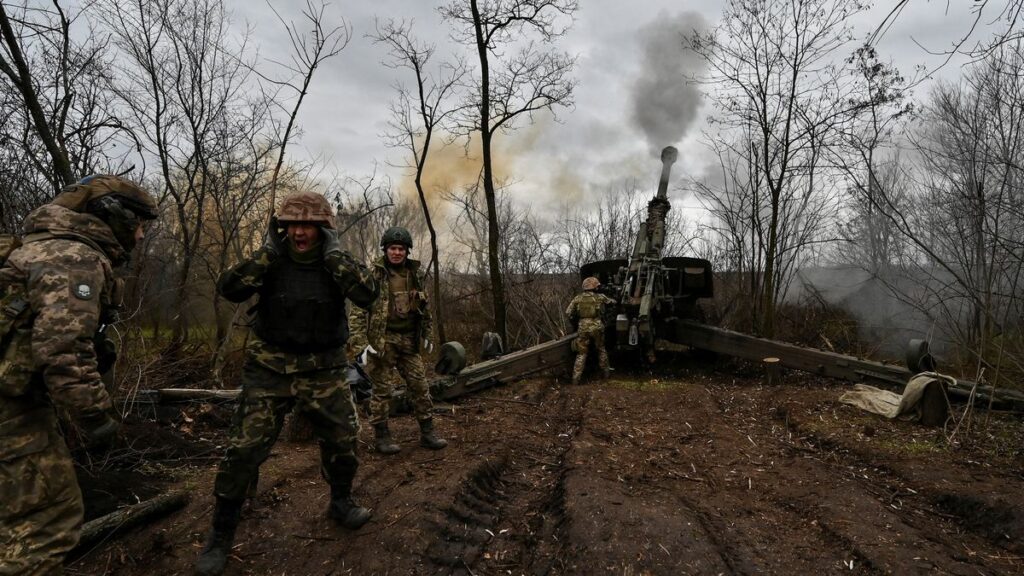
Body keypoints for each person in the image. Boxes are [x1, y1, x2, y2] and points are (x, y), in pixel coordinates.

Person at [195, 192, 378, 576]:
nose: (299, 232)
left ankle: (340, 501)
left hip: (324, 368)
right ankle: (221, 534)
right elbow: (230, 288)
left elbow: (368, 294)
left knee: (344, 441)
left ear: (322, 229)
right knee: (243, 450)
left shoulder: (334, 262)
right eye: (293, 225)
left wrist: (334, 256)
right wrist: (267, 254)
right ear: (282, 228)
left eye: (308, 225)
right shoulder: (271, 259)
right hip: (270, 368)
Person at [0, 175, 158, 575]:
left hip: (17, 402)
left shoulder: (34, 248)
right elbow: (64, 352)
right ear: (113, 217)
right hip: (11, 412)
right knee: (46, 522)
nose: (140, 236)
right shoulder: (73, 258)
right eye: (138, 224)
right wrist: (98, 421)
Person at [348, 226, 446, 455]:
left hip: (409, 340)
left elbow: (424, 307)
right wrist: (361, 344)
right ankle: (382, 436)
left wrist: (427, 334)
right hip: (383, 341)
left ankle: (428, 432)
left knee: (420, 387)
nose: (397, 253)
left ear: (407, 251)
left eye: (401, 249)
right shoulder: (375, 274)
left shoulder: (415, 274)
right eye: (393, 248)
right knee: (382, 391)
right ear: (385, 249)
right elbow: (358, 310)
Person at [566, 276, 616, 385]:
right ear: (595, 287)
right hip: (597, 326)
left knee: (581, 353)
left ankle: (575, 379)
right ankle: (606, 374)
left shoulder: (577, 298)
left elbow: (568, 312)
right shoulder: (600, 297)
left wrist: (576, 322)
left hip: (583, 327)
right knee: (601, 349)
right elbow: (612, 303)